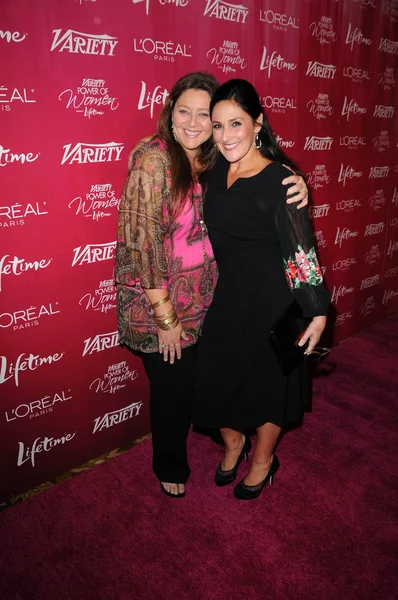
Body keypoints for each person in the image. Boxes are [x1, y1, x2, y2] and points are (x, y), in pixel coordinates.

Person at [115, 72, 310, 498]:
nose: (195, 123)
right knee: (173, 390)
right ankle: (169, 462)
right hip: (159, 305)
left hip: (210, 301)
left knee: (222, 383)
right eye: (184, 111)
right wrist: (166, 318)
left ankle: (251, 454)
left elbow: (263, 190)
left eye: (206, 115)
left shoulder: (212, 160)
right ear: (170, 112)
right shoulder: (155, 160)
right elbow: (142, 248)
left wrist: (296, 185)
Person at [192, 79, 330, 500]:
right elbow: (174, 144)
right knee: (214, 383)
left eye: (236, 123)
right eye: (217, 126)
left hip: (274, 302)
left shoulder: (281, 181)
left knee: (270, 392)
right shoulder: (213, 169)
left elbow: (300, 252)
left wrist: (318, 311)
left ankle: (264, 460)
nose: (226, 135)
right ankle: (234, 443)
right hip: (229, 298)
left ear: (258, 124)